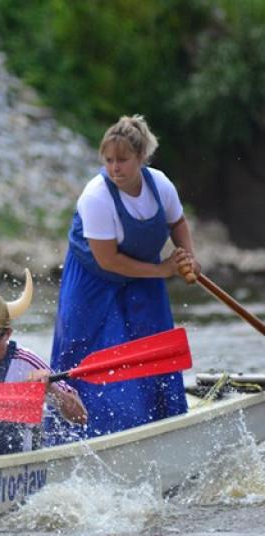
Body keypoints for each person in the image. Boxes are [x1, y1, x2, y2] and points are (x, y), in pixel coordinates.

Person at [51, 115, 199, 437]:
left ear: (141, 158)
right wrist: (162, 270)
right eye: (108, 161)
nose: (114, 168)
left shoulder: (160, 185)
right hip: (93, 280)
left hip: (142, 274)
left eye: (122, 160)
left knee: (153, 350)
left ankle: (165, 427)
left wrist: (189, 256)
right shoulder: (96, 197)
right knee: (96, 355)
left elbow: (177, 224)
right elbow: (109, 261)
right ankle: (83, 435)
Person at [0, 265, 87, 460]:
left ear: (8, 334)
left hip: (15, 467)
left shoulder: (26, 361)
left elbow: (80, 417)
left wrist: (50, 388)